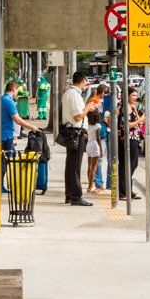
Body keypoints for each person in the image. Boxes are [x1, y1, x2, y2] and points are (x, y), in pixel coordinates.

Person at [59, 70, 89, 205]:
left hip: (72, 131)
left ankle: (70, 194)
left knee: (71, 164)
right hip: (76, 132)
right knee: (75, 165)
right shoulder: (74, 95)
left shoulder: (68, 93)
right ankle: (76, 196)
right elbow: (78, 116)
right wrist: (88, 108)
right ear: (82, 81)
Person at [84, 86, 105, 196]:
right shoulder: (97, 126)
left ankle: (89, 183)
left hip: (88, 145)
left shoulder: (90, 125)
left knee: (89, 166)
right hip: (95, 146)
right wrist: (101, 149)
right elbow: (98, 138)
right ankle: (90, 186)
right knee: (94, 167)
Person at [0, 80, 21, 185]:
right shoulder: (9, 101)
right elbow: (17, 119)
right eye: (17, 90)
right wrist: (32, 127)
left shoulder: (2, 99)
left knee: (8, 159)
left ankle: (4, 183)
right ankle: (3, 184)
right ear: (13, 89)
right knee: (7, 160)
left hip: (5, 134)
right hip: (6, 136)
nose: (17, 92)